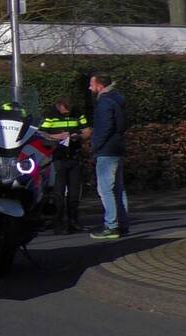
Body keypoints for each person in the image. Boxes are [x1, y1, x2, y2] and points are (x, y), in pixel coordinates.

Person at [87, 73, 129, 239]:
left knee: (105, 189)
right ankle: (123, 224)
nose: (90, 88)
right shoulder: (117, 99)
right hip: (118, 149)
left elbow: (104, 128)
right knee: (118, 189)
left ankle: (111, 226)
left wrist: (94, 147)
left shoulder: (104, 103)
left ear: (100, 86)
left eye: (92, 84)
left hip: (106, 151)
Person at [40, 97, 90, 234]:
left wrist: (79, 137)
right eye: (64, 109)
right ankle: (58, 224)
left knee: (74, 193)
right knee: (59, 193)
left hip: (74, 156)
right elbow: (41, 133)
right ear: (58, 106)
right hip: (59, 157)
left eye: (69, 109)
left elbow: (87, 131)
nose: (67, 112)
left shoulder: (77, 113)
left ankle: (73, 222)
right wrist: (58, 137)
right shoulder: (50, 116)